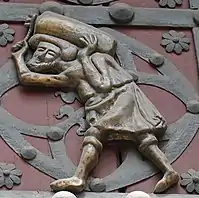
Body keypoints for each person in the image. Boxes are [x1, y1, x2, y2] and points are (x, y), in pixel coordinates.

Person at [11, 17, 179, 194]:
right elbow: (28, 78)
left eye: (47, 52)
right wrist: (18, 57)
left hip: (121, 98)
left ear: (61, 53)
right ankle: (169, 171)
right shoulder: (69, 74)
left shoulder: (97, 59)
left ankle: (79, 178)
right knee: (142, 136)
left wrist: (84, 57)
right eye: (39, 51)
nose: (40, 56)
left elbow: (103, 85)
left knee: (95, 133)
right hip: (101, 105)